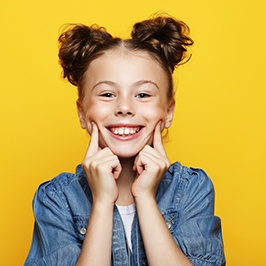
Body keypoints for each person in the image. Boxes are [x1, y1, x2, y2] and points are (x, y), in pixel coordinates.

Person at [25, 15, 225, 266]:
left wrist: (145, 197)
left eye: (142, 94)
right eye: (108, 94)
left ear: (168, 112)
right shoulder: (56, 198)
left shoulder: (192, 190)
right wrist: (101, 203)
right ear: (82, 113)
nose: (124, 107)